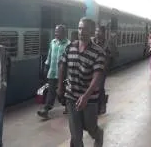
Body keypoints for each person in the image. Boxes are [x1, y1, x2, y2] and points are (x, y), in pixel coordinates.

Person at [57, 17, 104, 147]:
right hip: (71, 96)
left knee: (90, 128)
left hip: (90, 99)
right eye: (79, 28)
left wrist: (86, 96)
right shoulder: (70, 47)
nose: (81, 32)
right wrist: (60, 86)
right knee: (76, 135)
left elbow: (97, 76)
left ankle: (98, 134)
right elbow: (62, 65)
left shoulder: (98, 52)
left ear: (92, 31)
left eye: (85, 29)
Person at [37, 25, 70, 119]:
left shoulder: (68, 44)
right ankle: (46, 110)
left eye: (58, 32)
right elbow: (49, 56)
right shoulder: (53, 42)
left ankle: (67, 105)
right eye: (55, 32)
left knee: (62, 92)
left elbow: (69, 60)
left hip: (64, 73)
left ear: (63, 33)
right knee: (51, 91)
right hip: (52, 71)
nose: (55, 34)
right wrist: (46, 67)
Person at [91, 25, 118, 115]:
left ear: (103, 33)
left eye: (99, 31)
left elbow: (115, 55)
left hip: (102, 69)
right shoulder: (92, 41)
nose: (97, 33)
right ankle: (94, 105)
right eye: (96, 31)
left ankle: (102, 105)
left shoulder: (108, 43)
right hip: (92, 68)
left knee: (100, 87)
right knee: (93, 86)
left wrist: (108, 61)